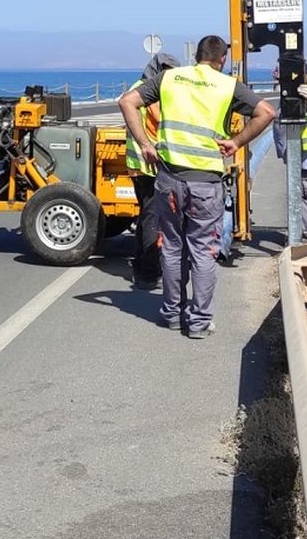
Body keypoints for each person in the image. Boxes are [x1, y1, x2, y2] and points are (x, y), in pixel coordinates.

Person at [119, 35, 277, 338]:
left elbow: (127, 101)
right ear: (222, 60)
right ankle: (200, 321)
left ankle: (172, 314)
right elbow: (267, 112)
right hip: (205, 183)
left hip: (170, 179)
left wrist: (144, 144)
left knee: (173, 248)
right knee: (203, 251)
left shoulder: (169, 78)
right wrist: (236, 142)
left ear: (197, 57)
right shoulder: (226, 84)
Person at [123, 53, 182, 288]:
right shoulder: (152, 90)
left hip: (138, 163)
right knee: (152, 217)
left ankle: (140, 265)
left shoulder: (138, 86)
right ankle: (149, 272)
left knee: (144, 213)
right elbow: (159, 119)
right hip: (149, 162)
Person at [272, 67, 307, 240]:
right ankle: (298, 235)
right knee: (298, 198)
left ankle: (305, 239)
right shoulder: (293, 89)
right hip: (300, 157)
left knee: (306, 200)